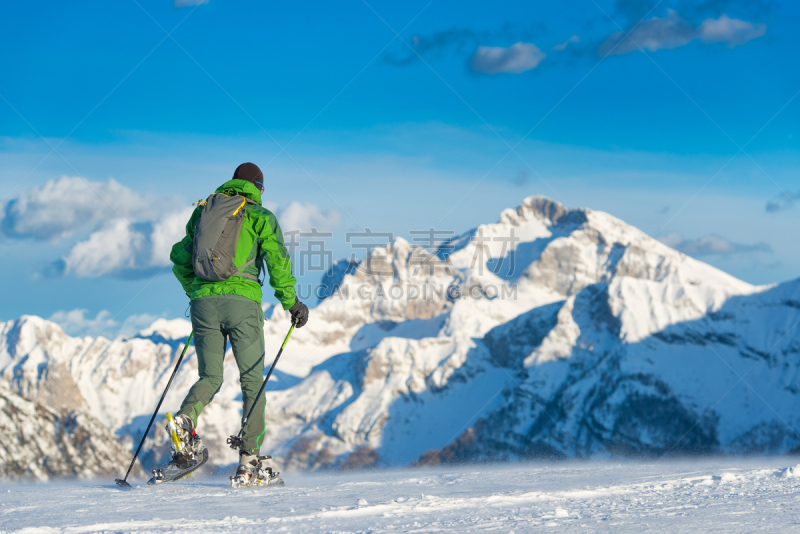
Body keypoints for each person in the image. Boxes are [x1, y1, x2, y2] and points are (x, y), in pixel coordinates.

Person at [167, 162, 309, 483]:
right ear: (258, 187)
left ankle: (185, 420)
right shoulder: (260, 216)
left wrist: (198, 293)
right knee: (252, 383)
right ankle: (249, 461)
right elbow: (277, 262)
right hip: (242, 303)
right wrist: (292, 303)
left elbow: (180, 258)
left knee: (210, 376)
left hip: (203, 304)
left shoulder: (204, 212)